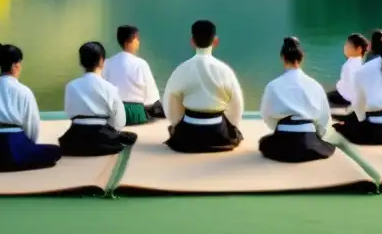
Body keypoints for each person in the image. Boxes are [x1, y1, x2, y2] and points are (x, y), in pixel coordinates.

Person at [0, 44, 62, 172]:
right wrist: (29, 145)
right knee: (55, 151)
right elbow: (32, 125)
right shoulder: (24, 91)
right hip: (16, 143)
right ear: (16, 65)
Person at [163, 19, 245, 153]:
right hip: (218, 131)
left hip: (190, 132)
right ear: (215, 41)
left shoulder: (182, 69)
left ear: (192, 41)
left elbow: (170, 101)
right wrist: (232, 127)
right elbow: (237, 105)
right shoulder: (224, 70)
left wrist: (177, 125)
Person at [258, 37, 335, 163]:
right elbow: (324, 119)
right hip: (308, 140)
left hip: (284, 138)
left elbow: (266, 116)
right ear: (302, 58)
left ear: (282, 57)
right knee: (325, 145)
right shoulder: (314, 85)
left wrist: (277, 128)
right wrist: (318, 137)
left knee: (264, 143)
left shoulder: (273, 85)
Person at [59, 41, 139, 156]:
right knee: (130, 137)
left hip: (76, 139)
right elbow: (119, 122)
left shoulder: (71, 86)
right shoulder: (110, 88)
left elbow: (70, 113)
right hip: (102, 139)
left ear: (81, 62)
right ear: (102, 61)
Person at [332, 29, 382, 145]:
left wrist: (357, 122)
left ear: (370, 47)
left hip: (374, 126)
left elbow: (359, 105)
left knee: (341, 125)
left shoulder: (363, 70)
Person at [101, 25, 164, 124]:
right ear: (129, 42)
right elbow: (151, 98)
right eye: (136, 39)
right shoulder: (141, 63)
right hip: (135, 114)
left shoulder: (107, 63)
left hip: (114, 113)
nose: (138, 42)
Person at [326, 33, 369, 110]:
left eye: (348, 46)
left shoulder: (350, 66)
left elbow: (350, 91)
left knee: (325, 97)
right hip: (351, 97)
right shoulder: (360, 62)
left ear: (358, 49)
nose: (345, 48)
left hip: (347, 99)